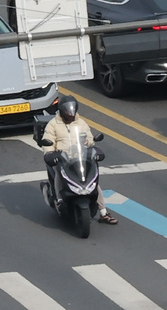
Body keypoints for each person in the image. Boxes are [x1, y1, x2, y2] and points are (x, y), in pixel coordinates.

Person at [40, 94, 118, 223]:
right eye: (67, 110)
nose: (70, 114)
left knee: (93, 183)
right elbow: (48, 141)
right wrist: (50, 153)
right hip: (62, 159)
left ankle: (103, 212)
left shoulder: (81, 123)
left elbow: (90, 139)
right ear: (62, 110)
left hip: (79, 158)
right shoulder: (53, 124)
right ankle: (59, 199)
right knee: (59, 175)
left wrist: (89, 142)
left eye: (72, 110)